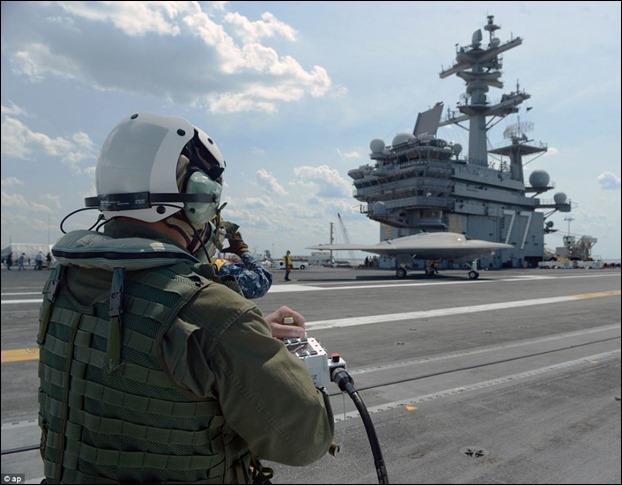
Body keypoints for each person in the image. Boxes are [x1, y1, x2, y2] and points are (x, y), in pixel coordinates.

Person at [37, 112, 334, 484]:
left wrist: (242, 335)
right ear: (196, 199)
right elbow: (306, 441)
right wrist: (243, 336)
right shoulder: (213, 311)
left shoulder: (61, 282)